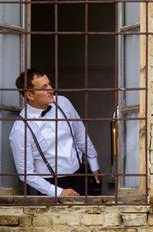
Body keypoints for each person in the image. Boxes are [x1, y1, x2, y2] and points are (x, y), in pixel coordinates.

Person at [9, 69, 101, 197]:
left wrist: (93, 163)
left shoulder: (63, 102)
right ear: (30, 95)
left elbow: (80, 132)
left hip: (80, 174)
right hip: (51, 185)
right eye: (44, 87)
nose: (51, 89)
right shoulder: (20, 129)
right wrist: (58, 192)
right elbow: (26, 173)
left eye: (49, 84)